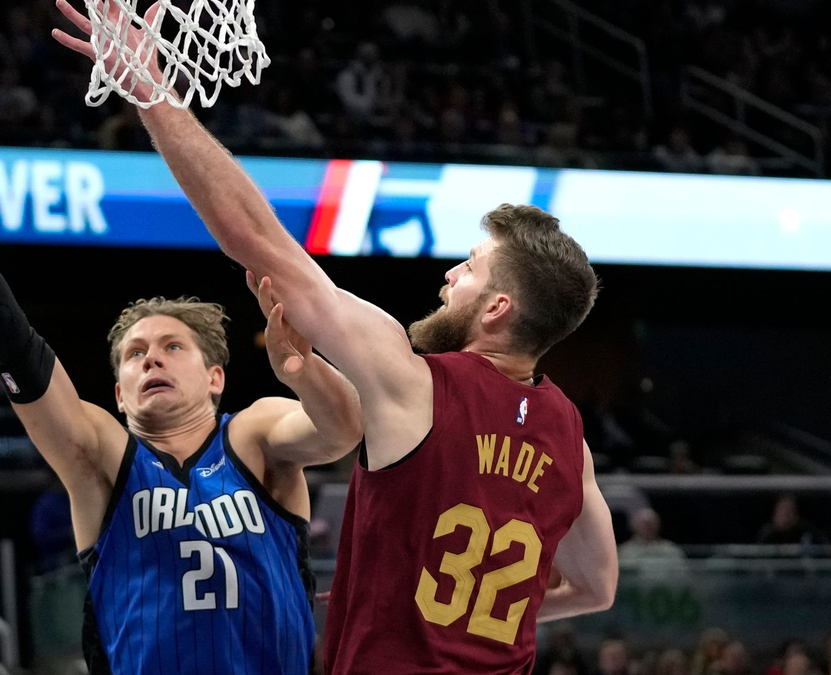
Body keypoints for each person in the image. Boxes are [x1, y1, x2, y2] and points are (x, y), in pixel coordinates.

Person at [52, 6, 618, 673]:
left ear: (497, 306)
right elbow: (596, 587)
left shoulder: (417, 383)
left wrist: (149, 87)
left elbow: (255, 238)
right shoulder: (566, 434)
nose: (449, 275)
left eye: (469, 268)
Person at [0, 91, 362, 675]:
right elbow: (14, 345)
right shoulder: (101, 457)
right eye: (135, 355)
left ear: (215, 376)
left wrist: (307, 369)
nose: (151, 361)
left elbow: (342, 431)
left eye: (171, 348)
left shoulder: (255, 433)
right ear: (118, 393)